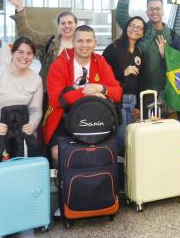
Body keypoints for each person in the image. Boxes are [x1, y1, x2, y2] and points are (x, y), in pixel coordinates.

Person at [44, 25, 122, 164]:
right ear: (73, 42)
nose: (84, 45)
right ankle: (62, 177)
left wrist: (100, 88)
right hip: (63, 117)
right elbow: (56, 100)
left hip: (93, 117)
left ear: (95, 43)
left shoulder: (100, 61)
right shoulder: (60, 63)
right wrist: (88, 93)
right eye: (80, 41)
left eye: (88, 41)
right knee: (57, 152)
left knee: (107, 150)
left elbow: (117, 93)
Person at [0, 37, 43, 153]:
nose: (24, 57)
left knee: (28, 154)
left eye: (29, 53)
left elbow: (36, 110)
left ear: (33, 56)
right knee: (3, 155)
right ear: (12, 53)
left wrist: (32, 124)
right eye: (20, 52)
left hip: (19, 130)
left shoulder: (36, 79)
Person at [5, 0, 77, 86]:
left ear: (76, 25)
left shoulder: (82, 46)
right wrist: (19, 7)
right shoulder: (49, 41)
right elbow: (26, 33)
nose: (66, 26)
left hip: (75, 90)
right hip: (50, 89)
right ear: (58, 26)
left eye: (70, 23)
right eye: (63, 23)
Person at [103, 15, 145, 155]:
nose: (135, 29)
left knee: (130, 138)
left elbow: (140, 79)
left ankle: (128, 165)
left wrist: (139, 105)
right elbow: (102, 74)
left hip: (132, 100)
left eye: (139, 28)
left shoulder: (139, 51)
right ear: (126, 27)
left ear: (143, 33)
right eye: (132, 25)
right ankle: (119, 166)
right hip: (117, 100)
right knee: (121, 138)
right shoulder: (113, 48)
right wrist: (123, 72)